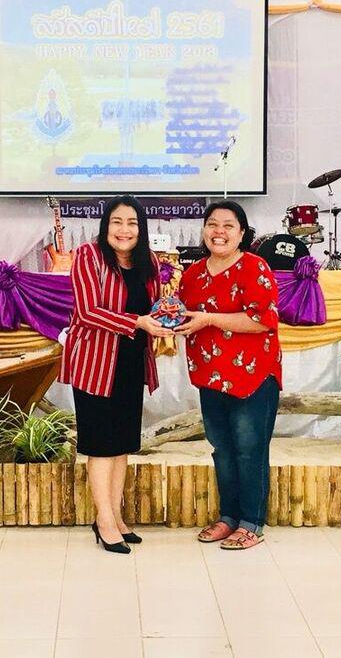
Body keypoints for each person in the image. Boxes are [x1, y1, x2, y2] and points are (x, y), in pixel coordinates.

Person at [59, 195, 172, 554]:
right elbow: (88, 311)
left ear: (142, 228)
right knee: (101, 444)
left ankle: (116, 516)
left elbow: (155, 307)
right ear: (106, 225)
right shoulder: (88, 256)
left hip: (131, 362)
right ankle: (104, 520)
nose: (125, 230)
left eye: (132, 223)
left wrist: (167, 317)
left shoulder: (148, 260)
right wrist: (137, 322)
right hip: (95, 363)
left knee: (122, 444)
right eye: (117, 222)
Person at [176, 201, 282, 550]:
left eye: (228, 225)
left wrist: (208, 319)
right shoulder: (192, 275)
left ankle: (252, 522)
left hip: (252, 376)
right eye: (212, 224)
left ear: (241, 233)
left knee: (250, 450)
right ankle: (228, 517)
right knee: (222, 449)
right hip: (210, 375)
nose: (218, 231)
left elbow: (262, 320)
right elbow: (183, 315)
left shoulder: (255, 267)